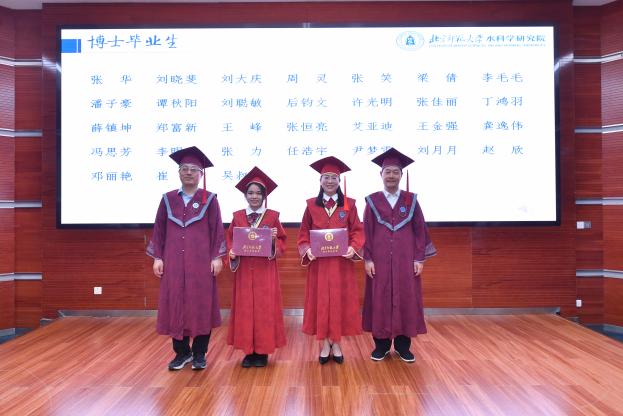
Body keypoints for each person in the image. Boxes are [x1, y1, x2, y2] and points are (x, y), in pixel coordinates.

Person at [146, 146, 226, 371]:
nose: (189, 172)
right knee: (175, 303)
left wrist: (217, 257)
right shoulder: (168, 199)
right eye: (184, 169)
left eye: (193, 169)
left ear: (201, 174)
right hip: (172, 262)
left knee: (201, 305)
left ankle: (199, 354)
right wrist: (158, 257)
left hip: (200, 263)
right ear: (179, 172)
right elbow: (159, 230)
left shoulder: (209, 200)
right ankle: (182, 353)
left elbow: (217, 230)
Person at [362, 147, 437, 363]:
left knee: (406, 297)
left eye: (396, 172)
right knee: (380, 298)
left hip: (406, 260)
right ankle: (382, 345)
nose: (391, 176)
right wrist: (368, 259)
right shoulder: (373, 201)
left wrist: (419, 258)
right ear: (381, 174)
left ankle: (404, 346)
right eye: (388, 172)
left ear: (401, 175)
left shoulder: (410, 201)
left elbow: (420, 230)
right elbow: (367, 231)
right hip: (379, 261)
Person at [297, 156, 364, 364]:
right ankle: (326, 343)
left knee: (339, 302)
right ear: (320, 180)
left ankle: (337, 343)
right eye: (326, 177)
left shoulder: (349, 205)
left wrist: (353, 247)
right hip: (319, 265)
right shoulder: (311, 205)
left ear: (339, 180)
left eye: (333, 177)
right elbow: (303, 234)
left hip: (341, 264)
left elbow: (358, 230)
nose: (329, 181)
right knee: (322, 303)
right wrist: (307, 249)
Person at [226, 167, 287, 368]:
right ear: (245, 195)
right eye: (250, 193)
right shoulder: (237, 216)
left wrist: (274, 240)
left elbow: (282, 242)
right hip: (244, 270)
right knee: (245, 309)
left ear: (264, 196)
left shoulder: (272, 216)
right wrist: (231, 252)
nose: (254, 196)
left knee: (263, 309)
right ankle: (248, 351)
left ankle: (262, 351)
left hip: (265, 271)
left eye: (258, 193)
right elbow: (229, 240)